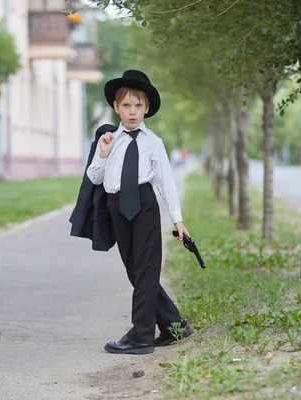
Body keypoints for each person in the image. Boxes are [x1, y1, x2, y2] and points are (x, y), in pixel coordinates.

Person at [86, 70, 194, 355]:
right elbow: (94, 178)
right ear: (116, 107)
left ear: (146, 108)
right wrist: (103, 153)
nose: (132, 112)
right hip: (117, 208)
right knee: (136, 272)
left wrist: (177, 219)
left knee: (146, 271)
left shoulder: (153, 143)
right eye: (126, 106)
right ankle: (176, 327)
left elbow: (166, 183)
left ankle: (141, 336)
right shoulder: (110, 140)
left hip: (144, 206)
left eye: (138, 106)